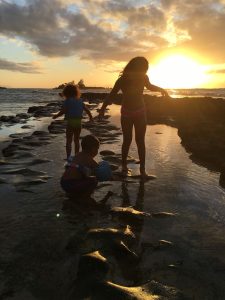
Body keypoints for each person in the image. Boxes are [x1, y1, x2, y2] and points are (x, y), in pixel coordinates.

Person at [98, 56, 169, 179]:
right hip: (131, 113)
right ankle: (128, 167)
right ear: (138, 67)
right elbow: (112, 95)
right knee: (131, 140)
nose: (145, 71)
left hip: (136, 112)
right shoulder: (124, 79)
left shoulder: (139, 78)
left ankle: (138, 169)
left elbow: (150, 87)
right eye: (144, 68)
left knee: (135, 140)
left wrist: (161, 89)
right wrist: (102, 109)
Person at [53, 84, 93, 159]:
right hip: (78, 123)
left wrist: (56, 116)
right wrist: (90, 117)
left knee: (69, 141)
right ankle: (76, 156)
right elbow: (87, 110)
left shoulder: (67, 101)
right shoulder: (80, 100)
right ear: (76, 92)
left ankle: (68, 157)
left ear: (66, 93)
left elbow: (63, 111)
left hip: (70, 123)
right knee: (76, 140)